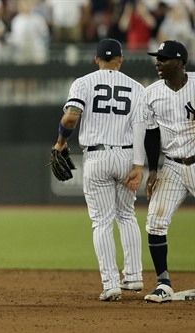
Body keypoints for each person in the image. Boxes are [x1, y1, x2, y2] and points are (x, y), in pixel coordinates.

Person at [51, 38, 146, 301]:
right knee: (127, 215)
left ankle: (111, 283)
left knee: (102, 221)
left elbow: (71, 116)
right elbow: (141, 129)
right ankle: (135, 277)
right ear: (121, 59)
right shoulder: (137, 88)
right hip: (127, 154)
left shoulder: (83, 82)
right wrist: (139, 165)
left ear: (96, 60)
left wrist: (60, 143)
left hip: (97, 156)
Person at [143, 40, 194, 303]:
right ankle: (163, 283)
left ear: (180, 62)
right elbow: (151, 135)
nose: (158, 62)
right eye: (157, 58)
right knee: (155, 222)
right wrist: (152, 170)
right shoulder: (150, 93)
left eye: (164, 58)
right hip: (172, 165)